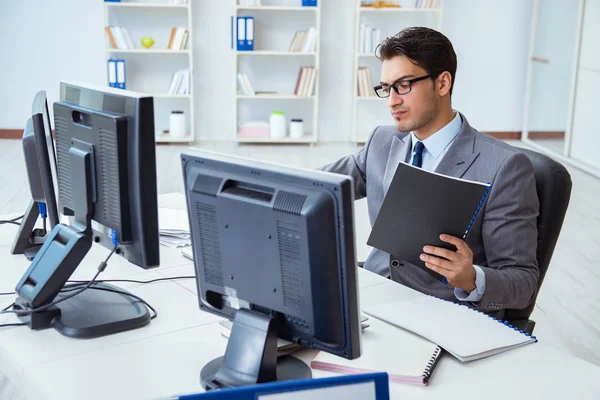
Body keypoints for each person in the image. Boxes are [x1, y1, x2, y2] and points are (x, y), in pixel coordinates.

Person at [320, 27, 539, 316]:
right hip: (371, 297)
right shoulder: (382, 141)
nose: (391, 101)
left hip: (441, 312)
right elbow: (319, 185)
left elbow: (522, 283)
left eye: (404, 85)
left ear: (443, 83)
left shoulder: (504, 167)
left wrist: (472, 278)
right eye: (386, 88)